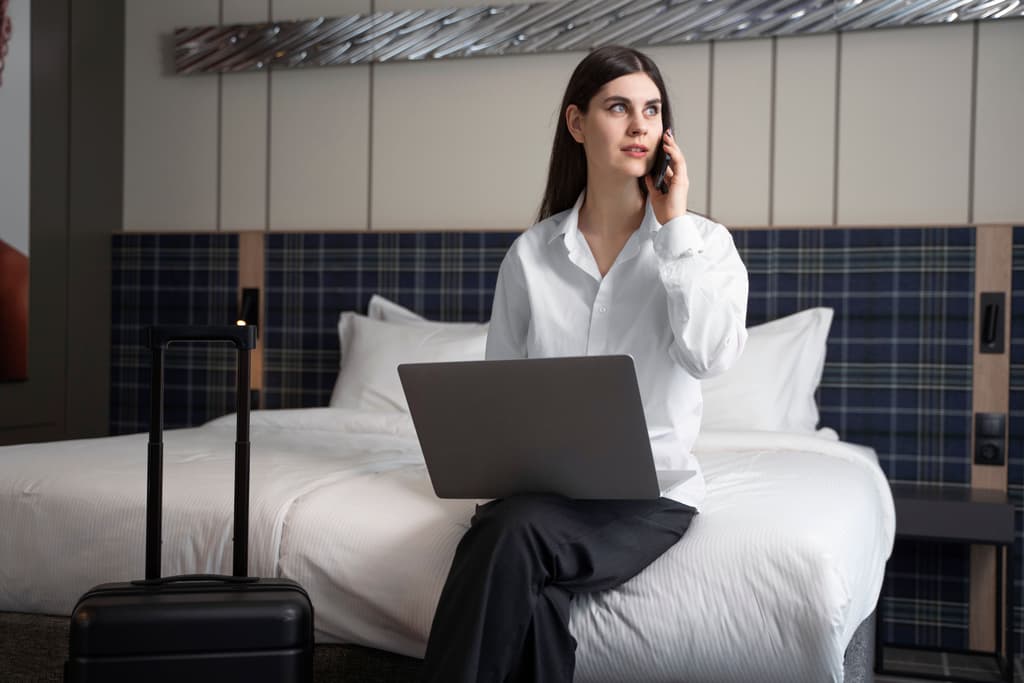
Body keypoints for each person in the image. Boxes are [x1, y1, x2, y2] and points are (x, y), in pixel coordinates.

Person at [419, 45, 749, 683]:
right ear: (577, 123)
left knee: (511, 536)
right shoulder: (531, 255)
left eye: (652, 110)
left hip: (652, 497)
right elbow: (500, 396)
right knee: (531, 583)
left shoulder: (703, 245)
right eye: (618, 107)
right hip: (544, 494)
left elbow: (710, 356)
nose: (639, 126)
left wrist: (673, 224)